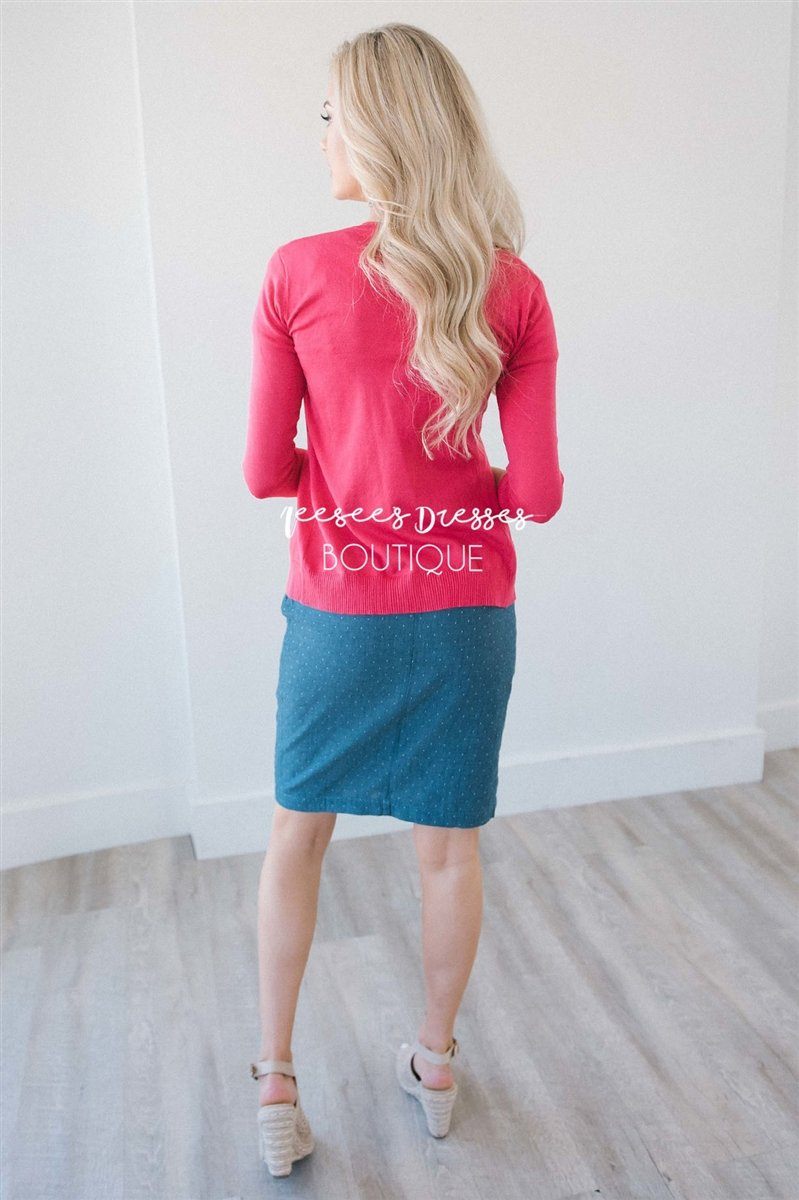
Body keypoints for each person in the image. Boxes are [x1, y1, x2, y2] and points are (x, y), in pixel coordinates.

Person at [242, 22, 564, 1177]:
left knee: (297, 837)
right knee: (446, 853)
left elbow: (262, 472)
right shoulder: (510, 286)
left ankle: (275, 1084)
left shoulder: (296, 271)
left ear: (377, 130)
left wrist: (342, 473)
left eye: (332, 114)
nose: (323, 135)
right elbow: (536, 494)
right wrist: (456, 482)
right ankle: (434, 1065)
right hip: (466, 618)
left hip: (338, 612)